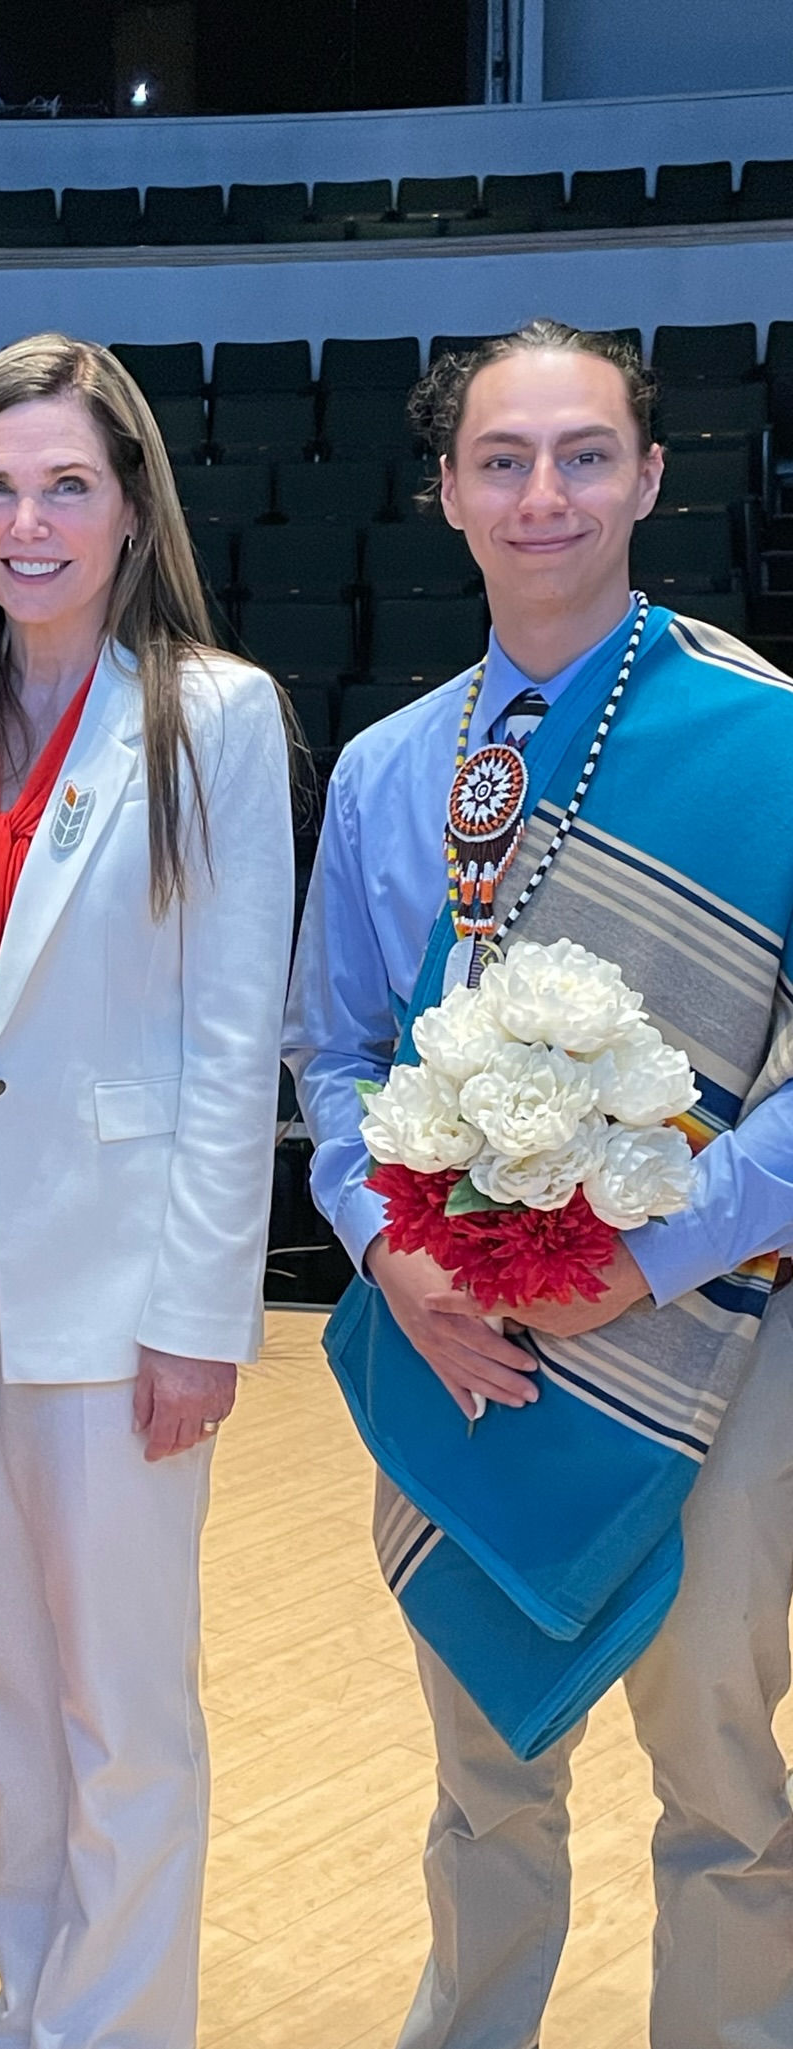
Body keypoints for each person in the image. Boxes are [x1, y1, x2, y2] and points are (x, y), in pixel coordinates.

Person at [282, 319, 793, 2049]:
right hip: (465, 1336)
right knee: (485, 1771)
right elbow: (335, 1054)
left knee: (721, 1769)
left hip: (713, 1331)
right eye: (502, 460)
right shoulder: (386, 768)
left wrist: (650, 1261)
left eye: (584, 455)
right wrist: (392, 1256)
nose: (543, 493)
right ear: (446, 490)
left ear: (650, 477)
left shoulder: (768, 740)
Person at [0, 333, 295, 2049]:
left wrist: (199, 1316)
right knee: (2, 1683)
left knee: (121, 1702)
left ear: (130, 509)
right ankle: (30, 2005)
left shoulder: (210, 711)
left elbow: (231, 1036)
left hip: (115, 1272)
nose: (26, 524)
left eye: (64, 487)